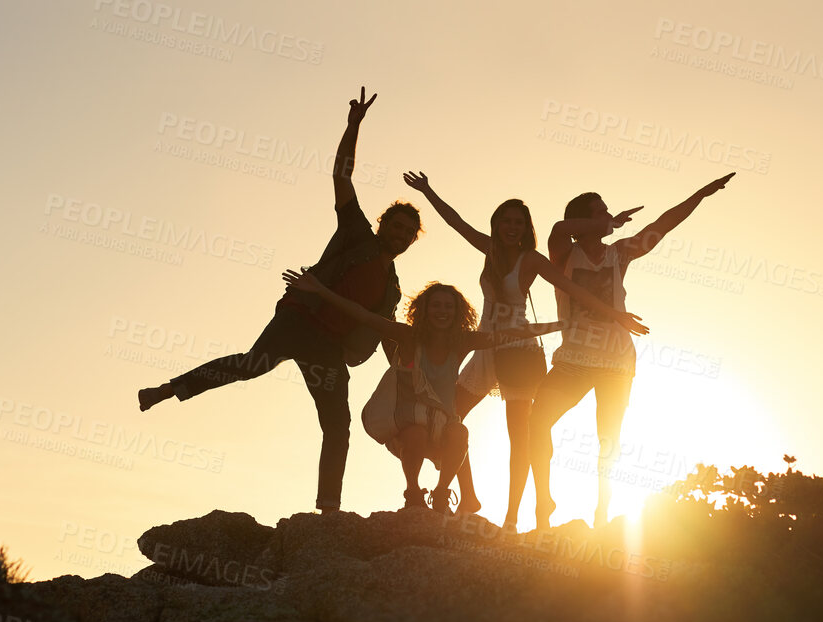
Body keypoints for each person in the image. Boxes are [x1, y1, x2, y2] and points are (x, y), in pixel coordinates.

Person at [136, 88, 421, 513]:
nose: (397, 236)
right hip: (299, 320)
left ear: (411, 241)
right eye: (394, 227)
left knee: (338, 425)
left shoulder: (392, 286)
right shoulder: (357, 233)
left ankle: (328, 508)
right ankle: (169, 388)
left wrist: (406, 370)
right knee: (253, 365)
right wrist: (353, 126)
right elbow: (341, 178)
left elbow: (382, 333)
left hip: (329, 348)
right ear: (383, 225)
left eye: (406, 234)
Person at [401, 173, 649, 529]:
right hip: (486, 347)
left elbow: (572, 288)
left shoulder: (531, 259)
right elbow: (456, 222)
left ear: (526, 228)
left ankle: (515, 517)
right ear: (498, 224)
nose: (512, 227)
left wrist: (615, 315)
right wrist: (428, 191)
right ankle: (465, 496)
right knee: (444, 418)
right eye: (507, 220)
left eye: (519, 222)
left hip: (519, 351)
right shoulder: (489, 249)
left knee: (522, 438)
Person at [531, 174, 736, 528]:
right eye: (599, 212)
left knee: (608, 438)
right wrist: (603, 224)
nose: (608, 216)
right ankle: (543, 503)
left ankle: (602, 512)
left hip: (616, 361)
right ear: (586, 222)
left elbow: (663, 225)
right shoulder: (564, 251)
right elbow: (559, 226)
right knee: (537, 422)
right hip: (574, 360)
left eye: (607, 211)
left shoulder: (619, 253)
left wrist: (700, 193)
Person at [286, 271, 564, 512]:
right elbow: (363, 315)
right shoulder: (408, 338)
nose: (442, 311)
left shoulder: (462, 342)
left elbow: (511, 335)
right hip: (406, 429)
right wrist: (320, 290)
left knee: (460, 433)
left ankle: (442, 493)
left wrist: (562, 325)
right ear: (424, 310)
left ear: (457, 313)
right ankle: (413, 493)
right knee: (417, 431)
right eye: (436, 306)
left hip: (441, 430)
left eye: (448, 307)